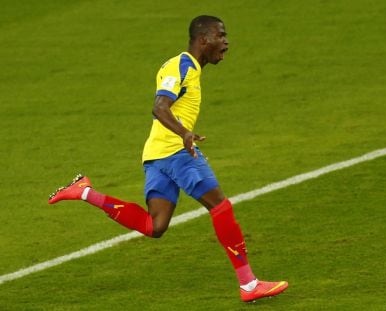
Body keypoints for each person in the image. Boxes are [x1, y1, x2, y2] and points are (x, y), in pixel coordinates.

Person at [48, 15, 288, 302]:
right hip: (176, 152)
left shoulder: (187, 69)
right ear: (203, 40)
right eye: (220, 35)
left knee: (155, 226)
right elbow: (159, 107)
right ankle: (249, 285)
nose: (226, 42)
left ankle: (85, 192)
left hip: (156, 155)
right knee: (220, 207)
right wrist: (185, 133)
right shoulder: (182, 65)